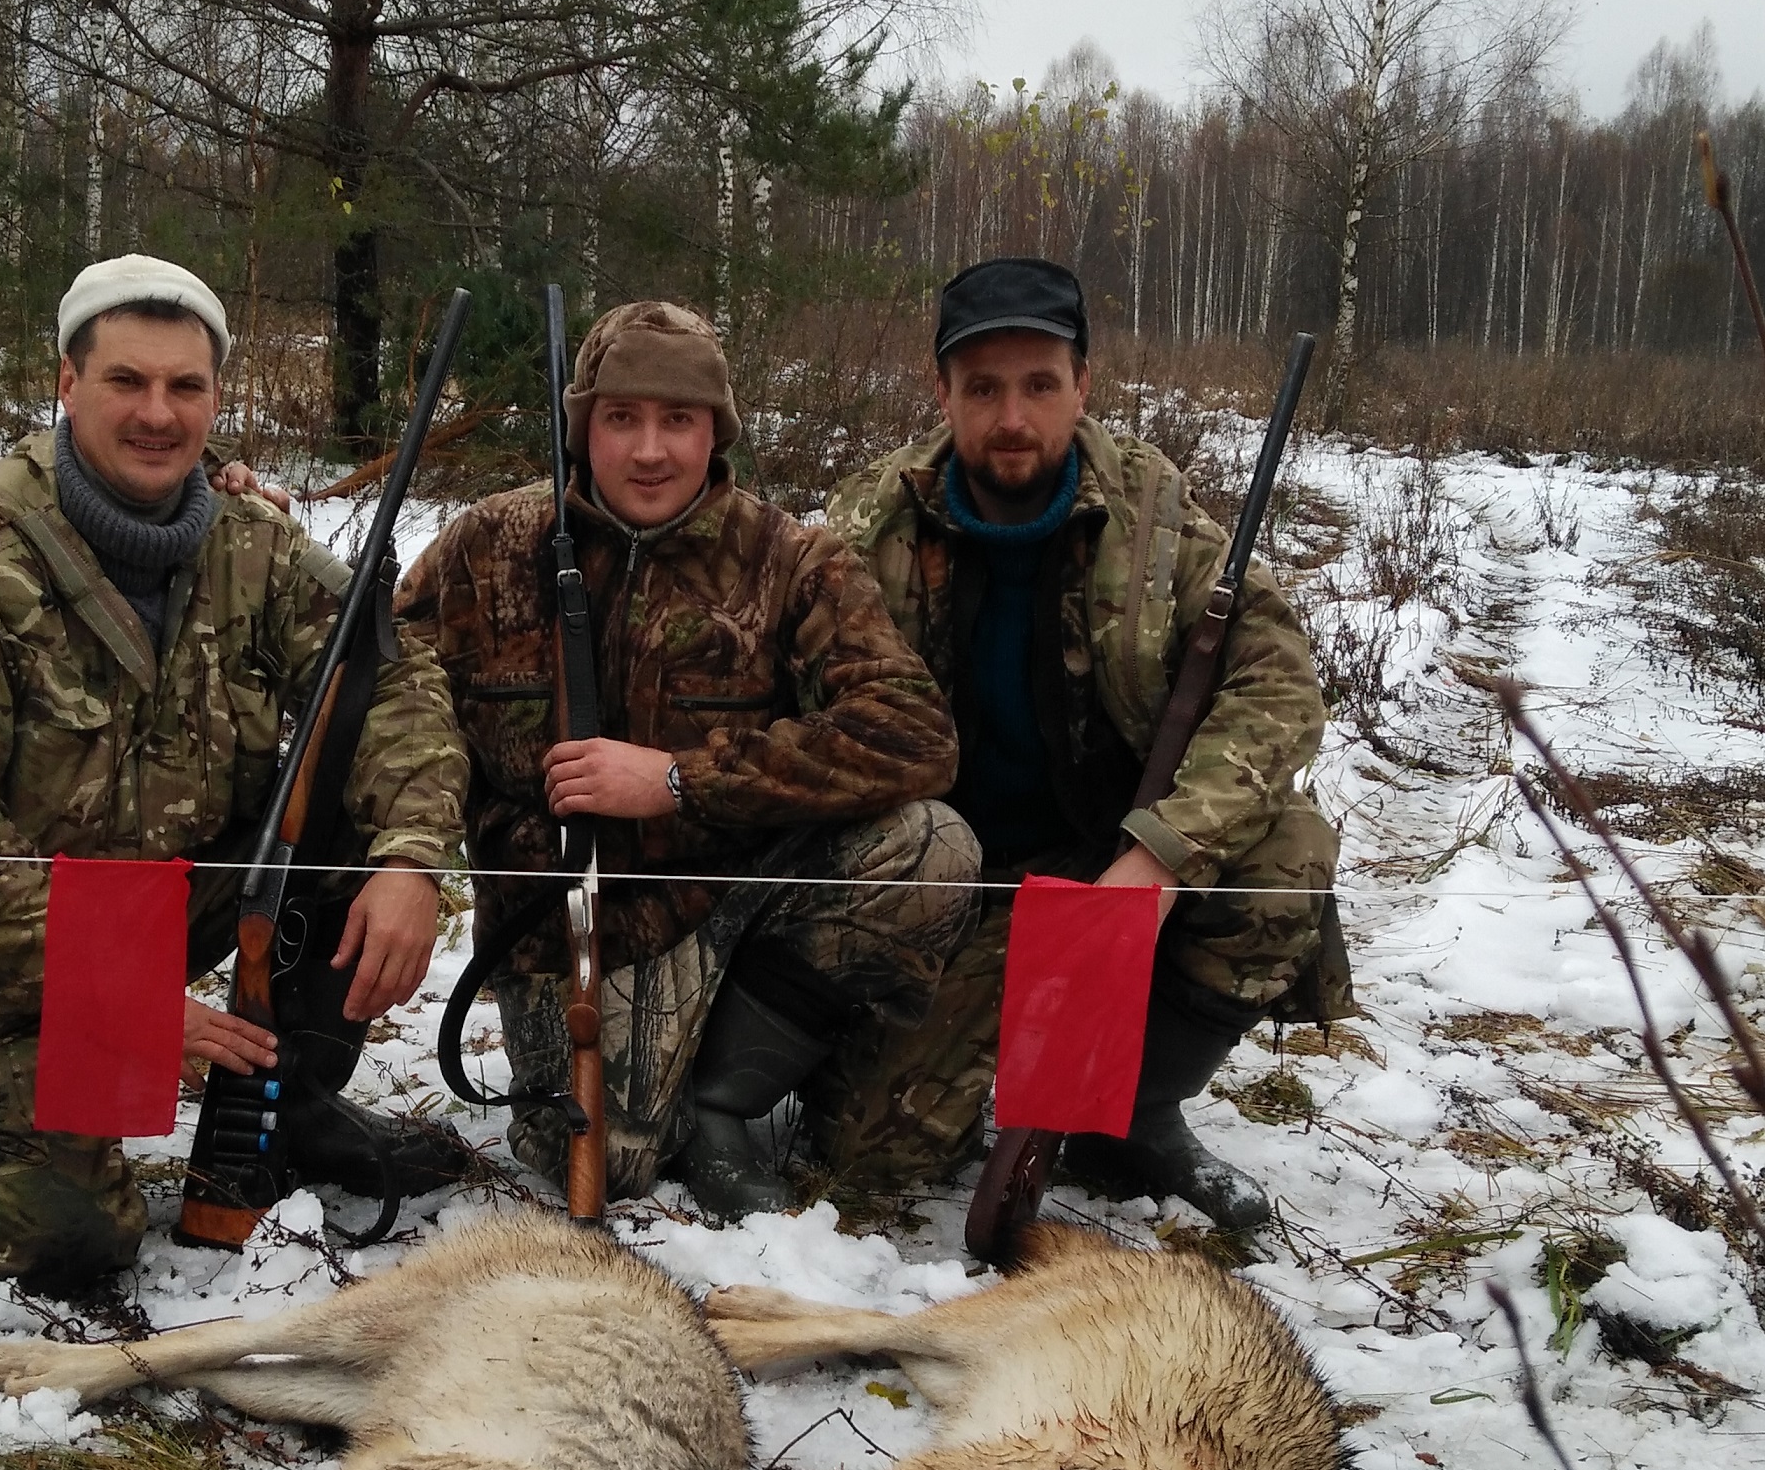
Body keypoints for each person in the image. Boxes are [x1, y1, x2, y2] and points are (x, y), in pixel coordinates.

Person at [0, 253, 472, 1293]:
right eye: (126, 381)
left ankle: (282, 1102)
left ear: (216, 396)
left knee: (341, 807)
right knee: (72, 1243)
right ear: (67, 382)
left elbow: (393, 680)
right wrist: (130, 1001)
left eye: (185, 385)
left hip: (164, 902)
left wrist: (411, 859)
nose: (157, 412)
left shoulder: (253, 546)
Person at [396, 298, 978, 1216]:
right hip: (559, 932)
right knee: (608, 1162)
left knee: (930, 848)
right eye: (621, 418)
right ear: (583, 428)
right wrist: (414, 861)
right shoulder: (486, 547)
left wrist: (678, 781)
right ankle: (666, 1079)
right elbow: (389, 698)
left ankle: (727, 1099)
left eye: (679, 419)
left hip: (732, 906)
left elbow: (914, 732)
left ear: (717, 431)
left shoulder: (792, 561)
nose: (650, 450)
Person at [820, 255, 1345, 1232]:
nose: (1012, 417)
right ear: (941, 392)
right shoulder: (869, 521)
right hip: (947, 879)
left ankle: (1133, 1116)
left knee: (1288, 853)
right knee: (866, 1160)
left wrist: (1159, 857)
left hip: (1111, 861)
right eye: (983, 388)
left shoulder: (1156, 512)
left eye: (1040, 385)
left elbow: (1277, 686)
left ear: (1084, 385)